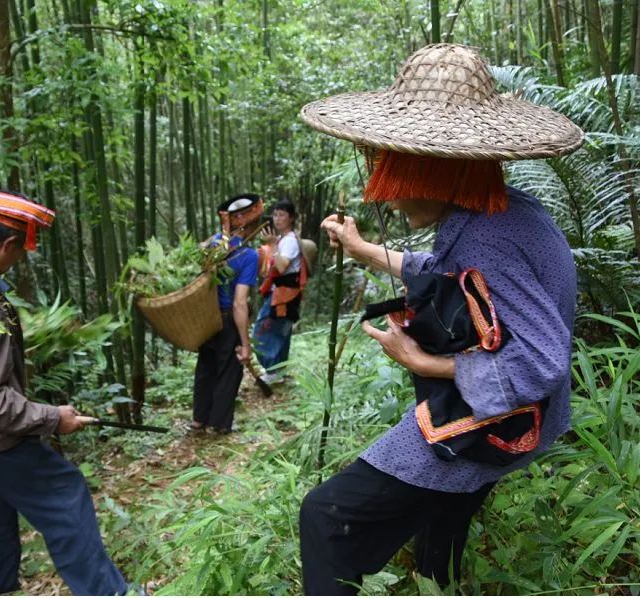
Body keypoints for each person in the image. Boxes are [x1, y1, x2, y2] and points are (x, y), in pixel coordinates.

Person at [297, 44, 583, 594]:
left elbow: (543, 362)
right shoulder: (497, 210)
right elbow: (451, 273)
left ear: (434, 167)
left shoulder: (489, 235)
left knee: (327, 517)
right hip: (513, 412)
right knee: (440, 519)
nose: (385, 188)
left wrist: (424, 360)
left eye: (393, 164)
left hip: (499, 421)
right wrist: (364, 249)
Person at [0, 185, 129, 595]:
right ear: (8, 243)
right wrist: (54, 418)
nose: (18, 261)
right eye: (21, 252)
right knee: (66, 496)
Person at [191, 194, 262, 434]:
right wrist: (245, 343)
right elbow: (240, 303)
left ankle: (199, 420)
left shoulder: (211, 247)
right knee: (228, 371)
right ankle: (219, 425)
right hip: (227, 319)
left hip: (205, 317)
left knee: (206, 367)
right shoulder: (249, 255)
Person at [253, 199, 307, 384]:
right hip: (284, 295)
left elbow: (282, 266)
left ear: (291, 218)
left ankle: (271, 370)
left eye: (282, 215)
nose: (277, 219)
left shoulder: (289, 240)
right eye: (275, 215)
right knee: (280, 333)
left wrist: (273, 246)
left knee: (262, 331)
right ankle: (278, 371)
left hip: (284, 296)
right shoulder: (283, 239)